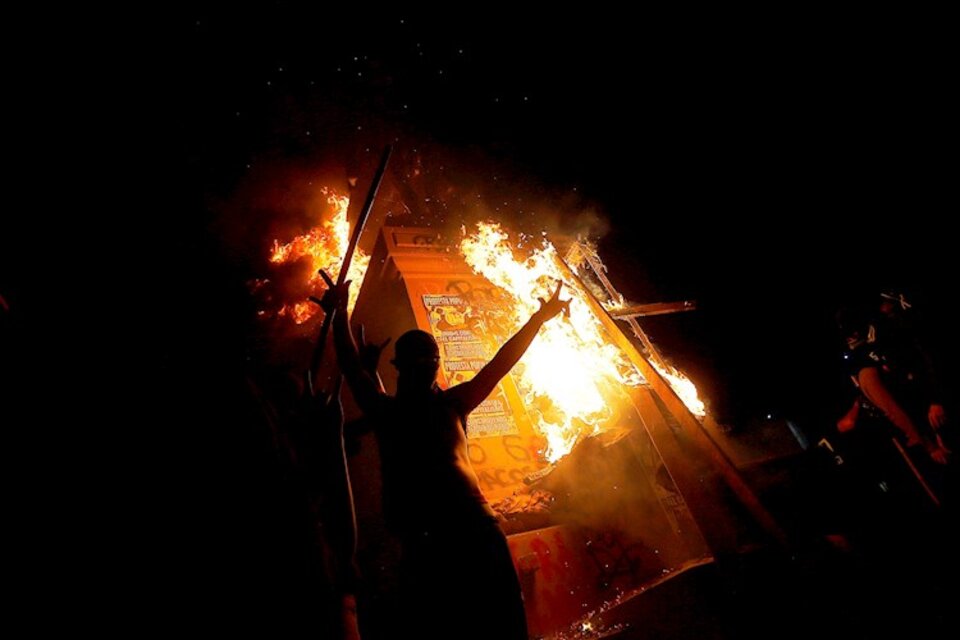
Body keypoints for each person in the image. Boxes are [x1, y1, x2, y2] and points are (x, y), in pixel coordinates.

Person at [320, 271, 570, 640]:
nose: (430, 366)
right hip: (440, 538)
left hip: (461, 533)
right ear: (412, 367)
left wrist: (339, 314)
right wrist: (338, 315)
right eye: (425, 360)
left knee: (491, 625)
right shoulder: (416, 408)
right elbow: (354, 368)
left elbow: (501, 363)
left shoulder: (426, 407)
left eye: (430, 359)